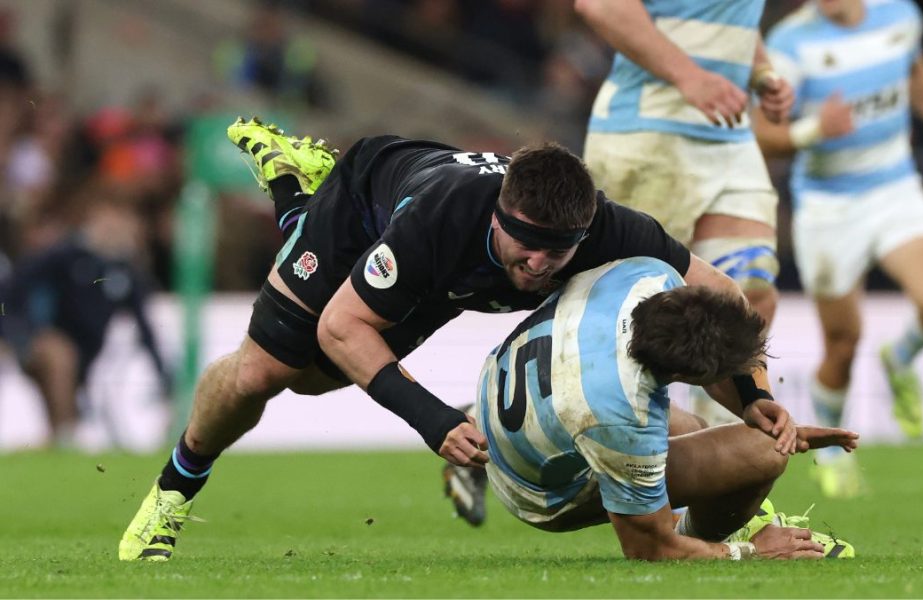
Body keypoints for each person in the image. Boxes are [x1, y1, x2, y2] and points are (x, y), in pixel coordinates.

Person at [119, 117, 792, 561]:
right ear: (500, 214)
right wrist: (432, 418)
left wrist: (751, 391)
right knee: (268, 373)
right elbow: (341, 325)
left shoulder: (610, 228)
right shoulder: (439, 226)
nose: (537, 267)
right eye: (524, 247)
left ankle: (758, 522)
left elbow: (720, 298)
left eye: (555, 255)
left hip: (444, 272)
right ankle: (173, 491)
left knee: (320, 375)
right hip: (364, 207)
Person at [753, 0, 923, 498]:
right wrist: (814, 129)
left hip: (894, 189)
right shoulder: (790, 44)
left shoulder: (899, 15)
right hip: (829, 207)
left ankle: (900, 359)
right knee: (842, 343)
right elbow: (759, 131)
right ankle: (835, 454)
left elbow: (915, 67)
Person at [474, 256, 857, 559]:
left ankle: (726, 517)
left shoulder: (649, 275)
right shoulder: (617, 415)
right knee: (763, 452)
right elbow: (648, 548)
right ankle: (733, 530)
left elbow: (722, 288)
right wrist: (750, 552)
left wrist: (754, 400)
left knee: (694, 427)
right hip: (535, 490)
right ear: (684, 374)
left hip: (511, 395)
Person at [573, 0, 796, 426]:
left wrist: (761, 73)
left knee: (750, 292)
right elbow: (600, 6)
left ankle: (726, 454)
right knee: (625, 313)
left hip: (728, 135)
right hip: (645, 134)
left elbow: (729, 20)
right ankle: (516, 429)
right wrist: (689, 76)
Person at [0, 198, 172, 448]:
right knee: (60, 355)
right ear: (95, 219)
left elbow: (144, 328)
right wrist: (18, 333)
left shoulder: (125, 272)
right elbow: (13, 289)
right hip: (42, 345)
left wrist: (162, 373)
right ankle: (65, 434)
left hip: (87, 358)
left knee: (63, 396)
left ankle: (58, 441)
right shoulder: (64, 255)